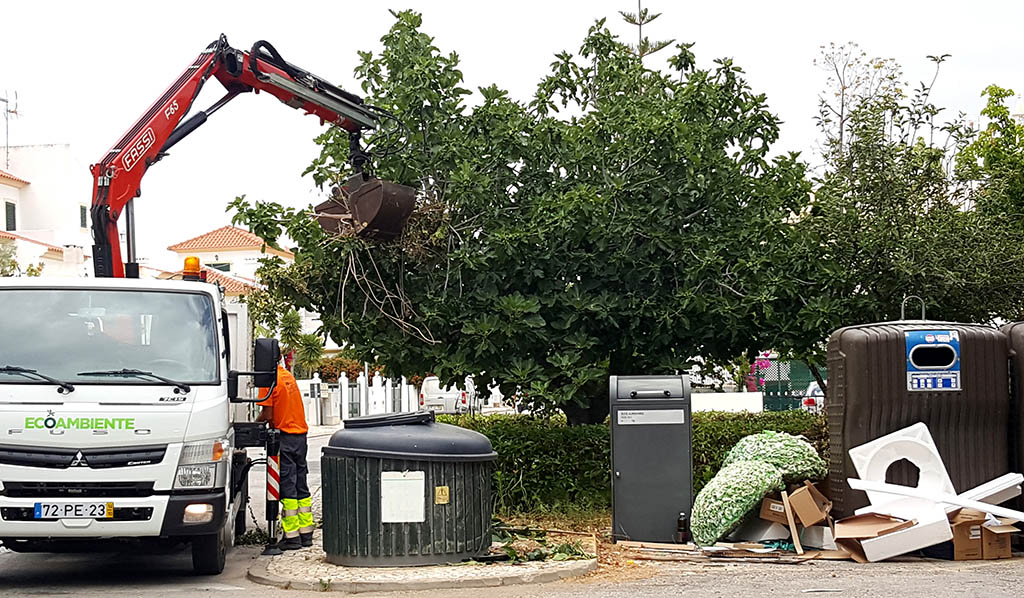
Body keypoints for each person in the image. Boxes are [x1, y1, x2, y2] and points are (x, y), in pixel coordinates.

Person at [257, 361, 313, 550]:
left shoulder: (270, 380)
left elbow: (268, 413)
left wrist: (254, 425)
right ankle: (306, 534)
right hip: (300, 436)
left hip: (285, 438)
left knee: (287, 486)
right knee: (300, 484)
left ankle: (292, 537)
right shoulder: (288, 376)